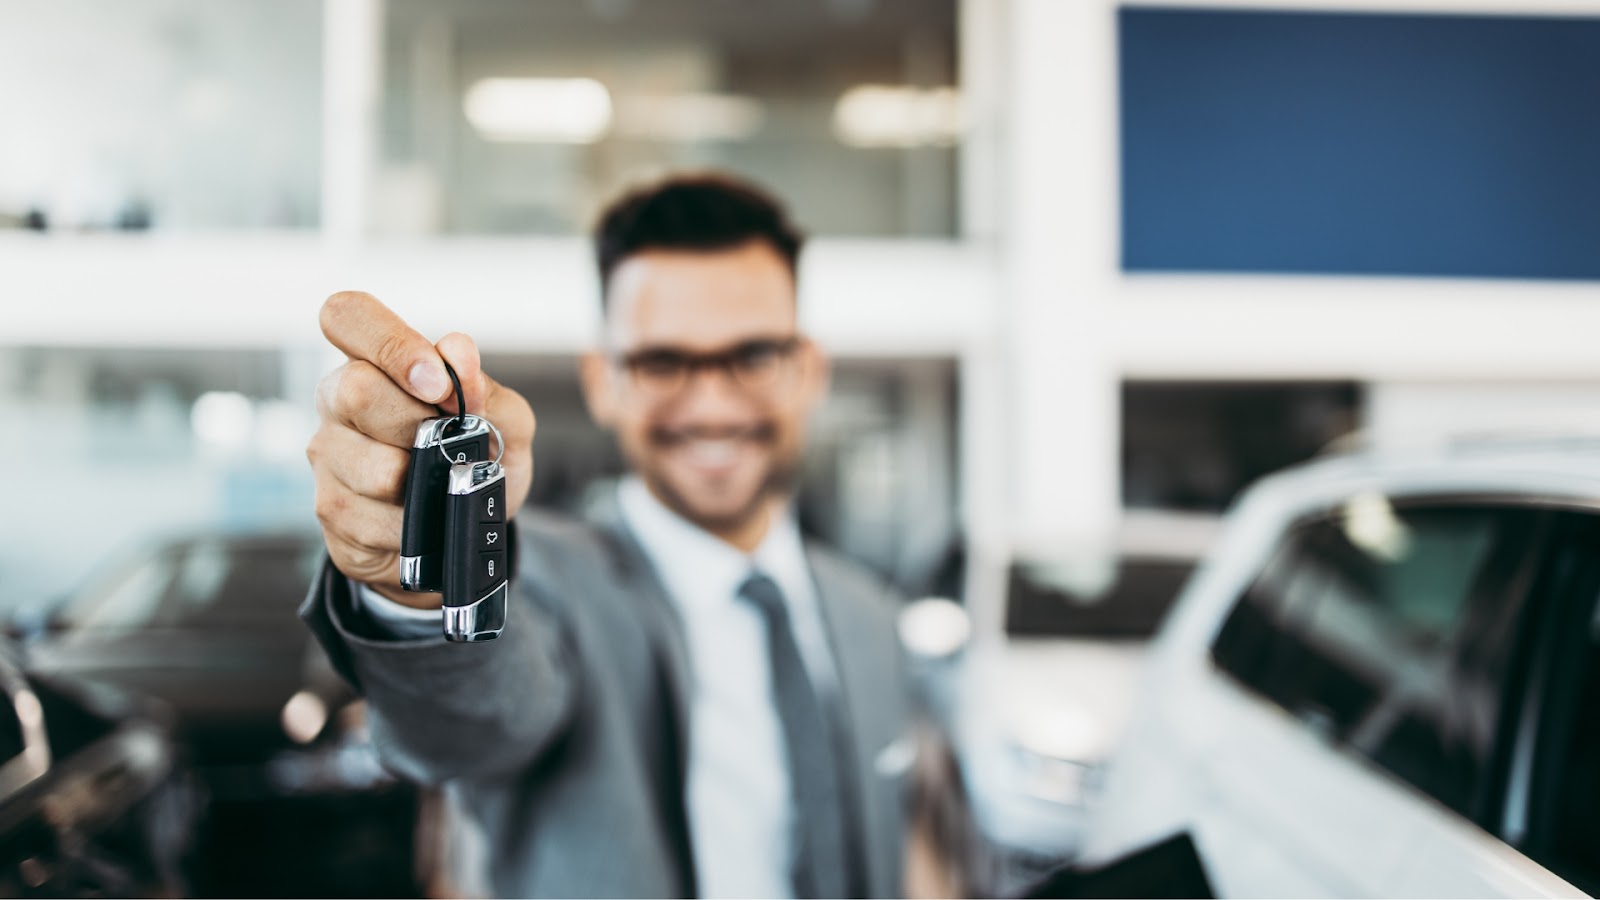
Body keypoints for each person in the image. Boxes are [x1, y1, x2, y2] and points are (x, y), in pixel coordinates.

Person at [300, 173, 913, 898]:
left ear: (807, 369)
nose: (713, 404)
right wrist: (428, 581)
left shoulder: (869, 614)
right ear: (603, 379)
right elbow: (463, 727)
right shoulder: (553, 586)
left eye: (752, 356)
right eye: (663, 361)